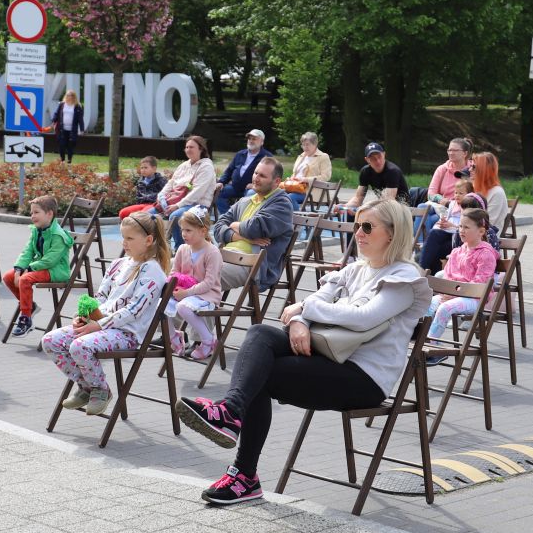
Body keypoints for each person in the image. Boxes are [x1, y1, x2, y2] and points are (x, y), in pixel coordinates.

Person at [174, 199, 430, 505]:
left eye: (367, 227)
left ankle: (243, 473)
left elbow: (363, 318)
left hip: (363, 378)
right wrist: (298, 322)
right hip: (329, 356)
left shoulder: (403, 278)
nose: (358, 233)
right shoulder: (354, 270)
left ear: (392, 233)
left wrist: (304, 308)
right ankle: (231, 415)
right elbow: (312, 303)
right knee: (260, 334)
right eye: (356, 225)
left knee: (261, 373)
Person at [45, 211, 170, 415]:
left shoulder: (153, 271)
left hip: (127, 333)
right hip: (102, 326)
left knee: (79, 346)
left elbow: (134, 310)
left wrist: (98, 325)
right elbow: (100, 297)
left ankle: (101, 390)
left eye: (130, 238)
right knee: (51, 340)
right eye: (123, 237)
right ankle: (87, 386)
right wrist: (84, 316)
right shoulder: (118, 264)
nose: (124, 243)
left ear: (148, 240)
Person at [423, 209, 497, 365]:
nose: (461, 230)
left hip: (475, 299)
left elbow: (480, 283)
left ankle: (432, 347)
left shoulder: (486, 254)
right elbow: (448, 275)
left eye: (466, 227)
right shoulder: (457, 252)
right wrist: (447, 292)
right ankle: (421, 342)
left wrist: (453, 293)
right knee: (426, 305)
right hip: (453, 295)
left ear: (481, 231)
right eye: (460, 226)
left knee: (445, 308)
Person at [213, 157, 295, 293]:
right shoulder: (245, 201)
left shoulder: (282, 204)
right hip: (224, 256)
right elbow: (217, 229)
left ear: (277, 181)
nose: (256, 178)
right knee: (174, 268)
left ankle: (194, 311)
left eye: (262, 175)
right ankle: (187, 311)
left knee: (200, 276)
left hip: (250, 264)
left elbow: (253, 228)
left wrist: (233, 225)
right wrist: (242, 237)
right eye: (256, 173)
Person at [5, 195, 74, 337]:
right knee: (8, 277)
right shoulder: (36, 230)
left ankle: (26, 319)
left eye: (36, 212)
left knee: (25, 279)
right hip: (39, 268)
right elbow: (27, 251)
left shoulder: (58, 235)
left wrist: (28, 269)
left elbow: (50, 260)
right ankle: (31, 306)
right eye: (31, 213)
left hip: (55, 271)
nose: (32, 216)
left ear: (49, 214)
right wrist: (19, 269)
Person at [165, 206, 223, 362]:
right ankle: (174, 337)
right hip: (185, 294)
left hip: (207, 296)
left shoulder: (212, 252)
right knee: (159, 304)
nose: (183, 234)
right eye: (182, 230)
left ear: (203, 231)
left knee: (182, 307)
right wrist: (174, 288)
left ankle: (208, 340)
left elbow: (209, 283)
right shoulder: (183, 249)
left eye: (188, 230)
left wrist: (186, 293)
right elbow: (173, 274)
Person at [158, 136, 217, 247]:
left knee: (176, 216)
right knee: (149, 215)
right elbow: (171, 183)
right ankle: (153, 249)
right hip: (176, 202)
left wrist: (178, 205)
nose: (188, 149)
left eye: (192, 147)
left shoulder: (206, 167)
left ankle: (181, 249)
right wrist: (161, 195)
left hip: (198, 206)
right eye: (187, 147)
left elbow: (197, 193)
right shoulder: (183, 166)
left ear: (201, 149)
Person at [337, 142, 406, 217]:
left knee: (363, 215)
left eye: (379, 156)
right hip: (383, 209)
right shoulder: (365, 172)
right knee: (346, 214)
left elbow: (388, 201)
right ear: (367, 160)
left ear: (384, 154)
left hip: (401, 210)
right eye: (373, 158)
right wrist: (345, 207)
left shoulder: (392, 171)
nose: (378, 161)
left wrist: (363, 210)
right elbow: (358, 198)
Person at [216, 129, 268, 216]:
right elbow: (229, 170)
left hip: (252, 189)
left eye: (254, 139)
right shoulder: (240, 154)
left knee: (251, 194)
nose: (251, 141)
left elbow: (268, 176)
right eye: (249, 139)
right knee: (217, 192)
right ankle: (227, 217)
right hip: (235, 187)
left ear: (262, 142)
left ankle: (243, 221)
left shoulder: (266, 157)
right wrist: (221, 182)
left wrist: (255, 185)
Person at [282, 132, 333, 208]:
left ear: (315, 144)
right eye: (303, 145)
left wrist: (305, 179)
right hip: (295, 187)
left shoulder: (323, 157)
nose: (305, 147)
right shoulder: (301, 156)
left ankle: (298, 218)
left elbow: (326, 176)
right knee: (277, 195)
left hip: (311, 192)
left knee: (290, 198)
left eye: (307, 144)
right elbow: (295, 174)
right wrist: (291, 179)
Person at [470, 150, 509, 230]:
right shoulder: (473, 187)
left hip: (485, 236)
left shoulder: (497, 193)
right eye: (470, 166)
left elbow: (488, 223)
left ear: (484, 170)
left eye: (474, 167)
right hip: (467, 231)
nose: (469, 169)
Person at [49, 89, 86, 163]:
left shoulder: (78, 106)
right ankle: (62, 161)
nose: (70, 97)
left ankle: (69, 162)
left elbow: (80, 119)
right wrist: (53, 122)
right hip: (62, 130)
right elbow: (56, 114)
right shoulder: (62, 104)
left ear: (74, 97)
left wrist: (82, 129)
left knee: (70, 147)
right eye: (68, 95)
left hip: (72, 130)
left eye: (72, 95)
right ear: (66, 96)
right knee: (61, 145)